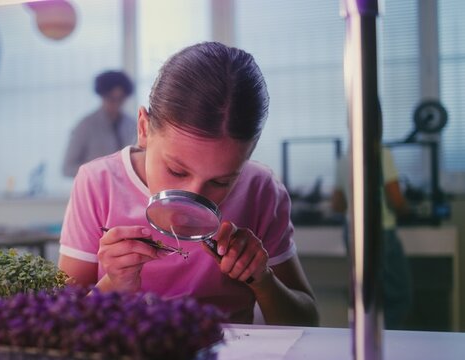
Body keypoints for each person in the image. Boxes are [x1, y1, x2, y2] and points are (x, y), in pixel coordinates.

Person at [58, 42, 319, 326]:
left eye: (221, 181)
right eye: (176, 170)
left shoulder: (260, 188)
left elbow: (306, 321)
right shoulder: (97, 183)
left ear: (249, 153)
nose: (192, 201)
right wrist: (113, 283)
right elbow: (58, 325)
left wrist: (263, 280)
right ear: (144, 129)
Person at [331, 138, 412, 329]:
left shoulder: (343, 159)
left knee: (364, 294)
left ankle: (362, 340)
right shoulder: (382, 154)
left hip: (352, 231)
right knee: (399, 295)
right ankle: (384, 343)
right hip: (379, 230)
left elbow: (337, 204)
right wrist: (409, 210)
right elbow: (396, 199)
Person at [62, 70, 137, 177]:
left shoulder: (132, 124)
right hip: (95, 189)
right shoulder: (86, 126)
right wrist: (98, 174)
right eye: (111, 99)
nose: (116, 104)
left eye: (120, 99)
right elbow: (67, 168)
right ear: (102, 96)